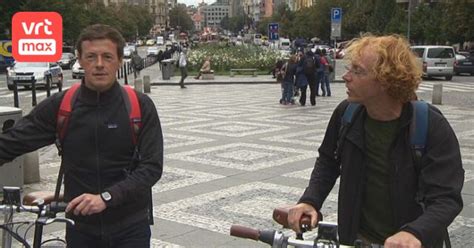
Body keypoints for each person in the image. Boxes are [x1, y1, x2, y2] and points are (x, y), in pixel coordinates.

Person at [287, 34, 464, 248]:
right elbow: (328, 162)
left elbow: (446, 199)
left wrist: (415, 233)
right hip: (356, 239)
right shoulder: (346, 114)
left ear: (386, 80)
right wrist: (310, 200)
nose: (346, 76)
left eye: (358, 71)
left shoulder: (431, 125)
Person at [0, 24, 164, 248]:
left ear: (119, 61)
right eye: (91, 57)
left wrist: (106, 198)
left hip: (130, 226)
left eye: (107, 56)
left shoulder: (139, 106)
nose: (99, 64)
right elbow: (11, 143)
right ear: (79, 59)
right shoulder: (62, 106)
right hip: (81, 228)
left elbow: (151, 167)